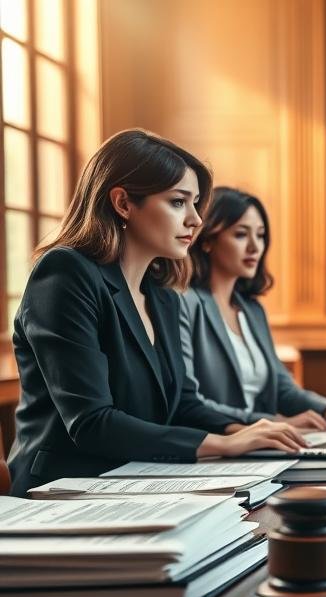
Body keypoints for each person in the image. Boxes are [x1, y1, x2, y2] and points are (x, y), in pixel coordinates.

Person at [7, 129, 306, 497]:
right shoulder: (66, 273)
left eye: (196, 203)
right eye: (179, 202)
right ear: (123, 203)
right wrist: (223, 444)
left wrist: (247, 431)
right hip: (64, 491)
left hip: (139, 481)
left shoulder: (163, 294)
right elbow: (92, 423)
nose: (196, 220)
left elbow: (183, 403)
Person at [180, 187, 326, 428]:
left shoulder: (252, 309)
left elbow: (281, 388)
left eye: (261, 235)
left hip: (263, 444)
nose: (255, 247)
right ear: (207, 241)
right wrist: (272, 422)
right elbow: (189, 403)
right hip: (222, 444)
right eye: (241, 235)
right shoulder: (186, 302)